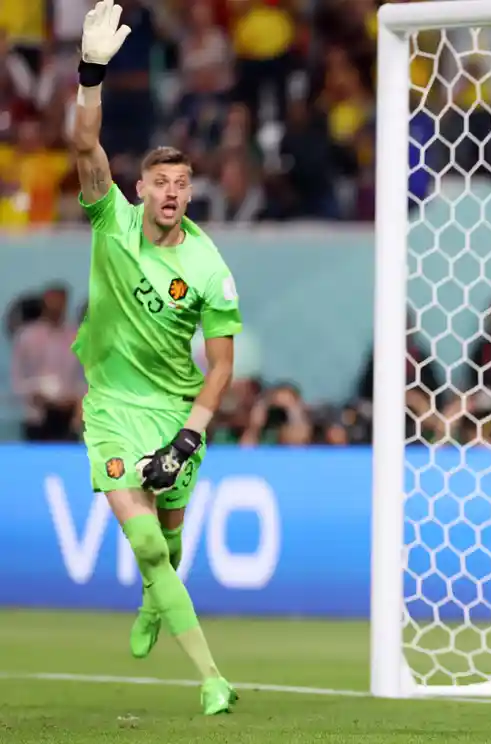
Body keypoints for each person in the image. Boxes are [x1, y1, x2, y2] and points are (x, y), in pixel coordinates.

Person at [69, 0, 241, 715]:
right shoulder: (109, 216)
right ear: (139, 190)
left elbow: (222, 364)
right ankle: (212, 677)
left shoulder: (209, 267)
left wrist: (191, 431)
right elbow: (84, 146)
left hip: (175, 411)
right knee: (145, 545)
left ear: (189, 192)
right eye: (159, 184)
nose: (170, 193)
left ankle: (153, 597)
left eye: (181, 184)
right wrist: (90, 76)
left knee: (167, 548)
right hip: (110, 408)